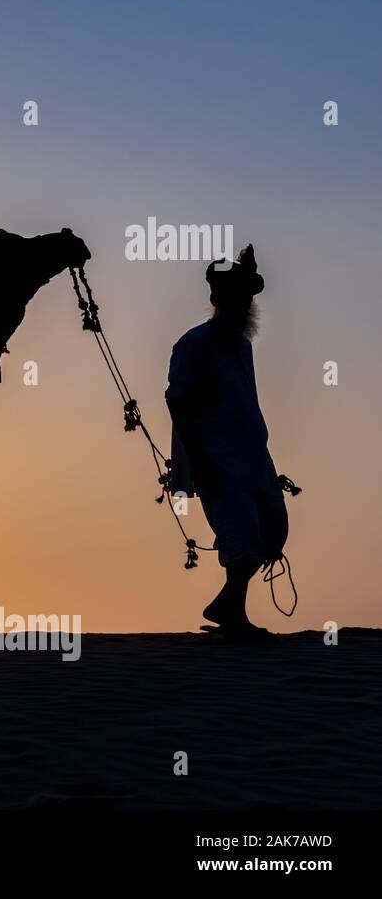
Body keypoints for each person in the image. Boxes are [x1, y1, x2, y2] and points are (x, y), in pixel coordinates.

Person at [165, 245, 288, 642]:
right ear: (222, 300)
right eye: (239, 297)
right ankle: (234, 617)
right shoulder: (194, 345)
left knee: (273, 530)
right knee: (242, 534)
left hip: (253, 456)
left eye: (248, 298)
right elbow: (177, 398)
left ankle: (226, 605)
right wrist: (196, 459)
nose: (245, 305)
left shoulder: (242, 346)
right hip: (216, 459)